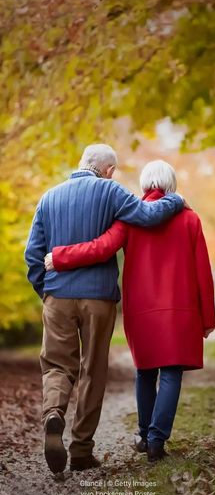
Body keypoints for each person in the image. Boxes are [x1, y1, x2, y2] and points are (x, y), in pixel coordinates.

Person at [25, 145, 184, 474]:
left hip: (58, 295)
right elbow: (148, 216)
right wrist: (175, 199)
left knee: (56, 364)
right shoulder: (111, 191)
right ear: (108, 170)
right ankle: (81, 450)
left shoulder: (49, 197)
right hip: (98, 298)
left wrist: (47, 291)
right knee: (93, 370)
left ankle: (54, 412)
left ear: (82, 163)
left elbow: (33, 254)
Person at [45, 159, 215, 464]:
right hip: (180, 312)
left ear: (145, 184)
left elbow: (100, 247)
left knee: (145, 371)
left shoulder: (129, 219)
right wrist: (207, 318)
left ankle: (143, 433)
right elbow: (203, 272)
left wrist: (59, 257)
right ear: (171, 184)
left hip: (142, 311)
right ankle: (155, 440)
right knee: (172, 372)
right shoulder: (190, 220)